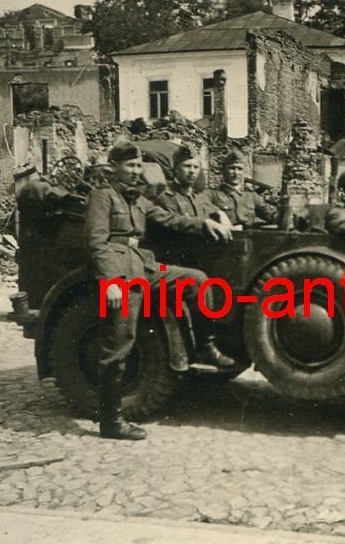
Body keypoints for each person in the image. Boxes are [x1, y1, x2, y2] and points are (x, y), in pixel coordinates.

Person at [85, 142, 235, 441]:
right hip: (121, 271)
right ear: (114, 167)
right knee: (120, 342)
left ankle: (205, 344)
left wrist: (207, 222)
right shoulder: (103, 197)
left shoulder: (137, 199)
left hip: (144, 266)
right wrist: (111, 280)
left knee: (196, 280)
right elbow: (96, 242)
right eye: (130, 166)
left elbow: (171, 219)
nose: (135, 171)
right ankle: (111, 421)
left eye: (139, 166)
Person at [207, 150, 278, 227]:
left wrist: (284, 211)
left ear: (244, 172)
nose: (236, 173)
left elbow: (271, 215)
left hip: (248, 237)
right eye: (232, 168)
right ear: (223, 170)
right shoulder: (212, 195)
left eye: (239, 169)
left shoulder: (251, 196)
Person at [155, 144, 224, 220]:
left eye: (196, 167)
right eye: (187, 166)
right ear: (176, 168)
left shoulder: (197, 198)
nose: (192, 171)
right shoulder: (167, 198)